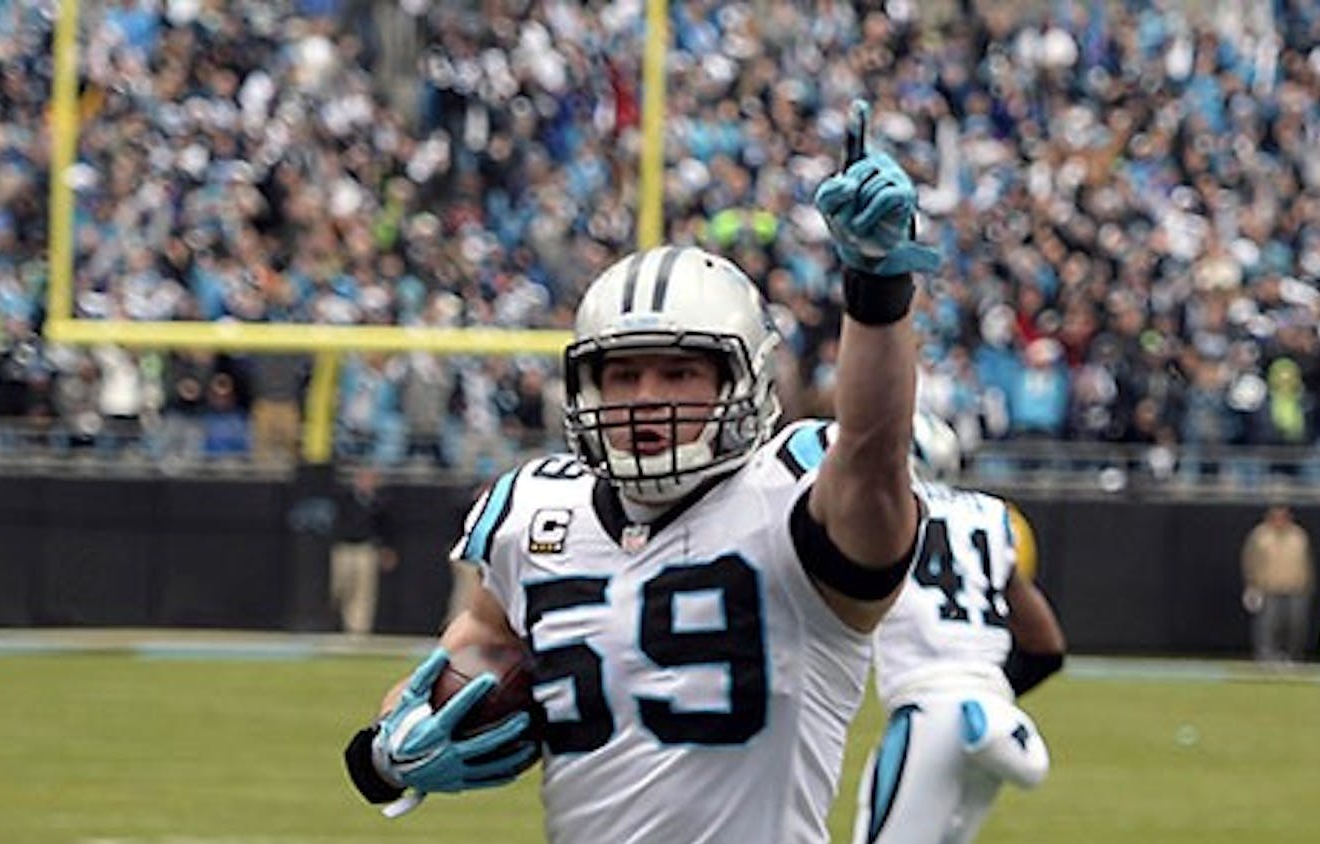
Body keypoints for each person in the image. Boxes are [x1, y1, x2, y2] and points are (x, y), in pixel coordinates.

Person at [343, 101, 943, 843]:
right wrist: (390, 746)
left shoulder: (791, 498)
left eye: (678, 373)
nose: (646, 398)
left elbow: (873, 455)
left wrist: (877, 296)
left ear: (741, 381)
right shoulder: (535, 510)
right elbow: (475, 646)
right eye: (623, 375)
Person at [847, 412, 1066, 844]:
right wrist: (974, 689)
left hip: (926, 706)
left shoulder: (886, 510)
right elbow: (1047, 646)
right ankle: (998, 730)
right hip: (988, 701)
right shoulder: (993, 516)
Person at [1240, 504, 1315, 664]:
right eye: (1276, 517)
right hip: (1268, 589)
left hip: (1296, 589)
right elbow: (1249, 560)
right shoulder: (1259, 536)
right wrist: (1252, 585)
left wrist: (1308, 585)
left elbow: (1307, 562)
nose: (1279, 521)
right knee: (1267, 626)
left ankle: (1293, 658)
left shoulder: (1299, 536)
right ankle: (1265, 658)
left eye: (1283, 517)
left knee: (1296, 625)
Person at [329, 465, 396, 636]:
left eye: (371, 479)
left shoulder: (379, 503)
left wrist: (385, 550)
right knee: (340, 587)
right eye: (363, 478)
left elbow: (385, 529)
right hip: (344, 549)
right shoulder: (344, 499)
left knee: (364, 590)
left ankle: (358, 629)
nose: (367, 483)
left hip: (366, 550)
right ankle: (335, 621)